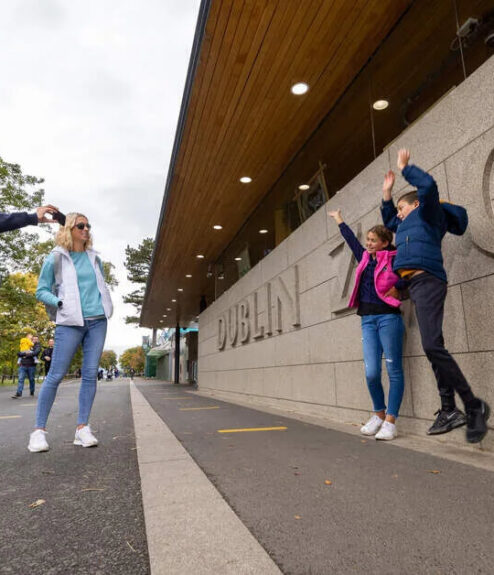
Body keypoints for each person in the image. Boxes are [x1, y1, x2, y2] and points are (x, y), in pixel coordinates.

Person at [381, 149, 490, 443]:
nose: (398, 216)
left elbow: (428, 187)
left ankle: (471, 405)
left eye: (402, 209)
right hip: (415, 285)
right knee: (434, 346)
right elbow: (390, 221)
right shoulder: (405, 224)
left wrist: (406, 168)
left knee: (431, 344)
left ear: (415, 205)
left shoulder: (428, 213)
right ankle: (448, 408)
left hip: (428, 281)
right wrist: (387, 197)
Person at [27, 213, 113, 452]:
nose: (86, 230)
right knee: (55, 375)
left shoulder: (95, 258)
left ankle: (82, 428)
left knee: (89, 374)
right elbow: (41, 291)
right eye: (81, 226)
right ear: (69, 229)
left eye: (88, 226)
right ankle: (38, 432)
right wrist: (61, 303)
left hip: (97, 321)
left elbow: (100, 285)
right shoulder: (56, 258)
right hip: (69, 322)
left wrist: (106, 305)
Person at [328, 209, 405, 440]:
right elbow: (351, 239)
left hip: (389, 317)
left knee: (393, 371)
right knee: (371, 373)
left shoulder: (394, 257)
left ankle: (391, 422)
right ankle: (379, 415)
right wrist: (339, 219)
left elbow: (409, 272)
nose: (369, 243)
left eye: (373, 241)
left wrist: (399, 286)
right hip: (367, 320)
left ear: (384, 243)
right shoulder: (363, 257)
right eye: (368, 240)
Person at [13, 334, 41, 398]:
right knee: (20, 379)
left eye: (35, 339)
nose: (33, 340)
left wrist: (25, 354)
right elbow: (19, 353)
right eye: (32, 339)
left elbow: (35, 353)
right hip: (23, 365)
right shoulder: (25, 344)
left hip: (31, 366)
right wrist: (25, 353)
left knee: (31, 379)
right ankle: (19, 393)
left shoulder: (37, 346)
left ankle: (32, 391)